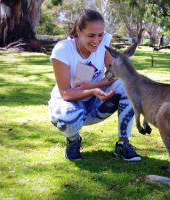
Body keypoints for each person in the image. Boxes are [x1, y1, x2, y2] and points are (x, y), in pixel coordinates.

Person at [48, 9, 141, 162]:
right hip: (70, 104)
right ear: (78, 30)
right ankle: (73, 141)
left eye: (100, 35)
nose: (96, 41)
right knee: (67, 118)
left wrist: (95, 86)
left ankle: (123, 144)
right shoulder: (63, 50)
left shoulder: (103, 44)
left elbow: (116, 73)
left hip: (96, 104)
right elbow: (65, 93)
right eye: (91, 35)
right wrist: (92, 90)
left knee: (129, 86)